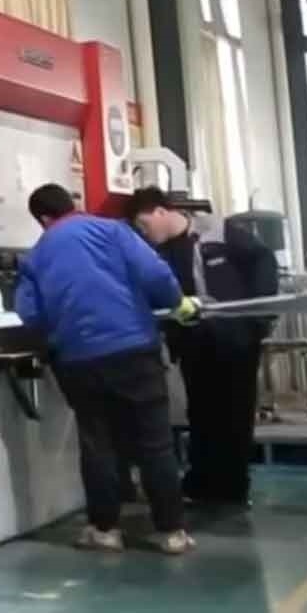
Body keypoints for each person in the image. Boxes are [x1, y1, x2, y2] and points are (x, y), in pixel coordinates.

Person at [16, 184, 197, 555]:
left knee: (98, 443)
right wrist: (178, 303)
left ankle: (105, 530)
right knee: (154, 443)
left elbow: (30, 314)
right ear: (73, 204)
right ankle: (172, 532)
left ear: (43, 219)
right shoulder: (113, 230)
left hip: (79, 360)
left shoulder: (35, 256)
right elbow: (154, 273)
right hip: (134, 350)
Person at [126, 186, 281, 508]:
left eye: (144, 224)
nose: (144, 233)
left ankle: (233, 488)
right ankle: (201, 485)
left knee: (235, 414)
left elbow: (263, 260)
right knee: (201, 414)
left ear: (161, 211)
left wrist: (260, 317)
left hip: (235, 341)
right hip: (194, 344)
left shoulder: (217, 232)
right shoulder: (158, 254)